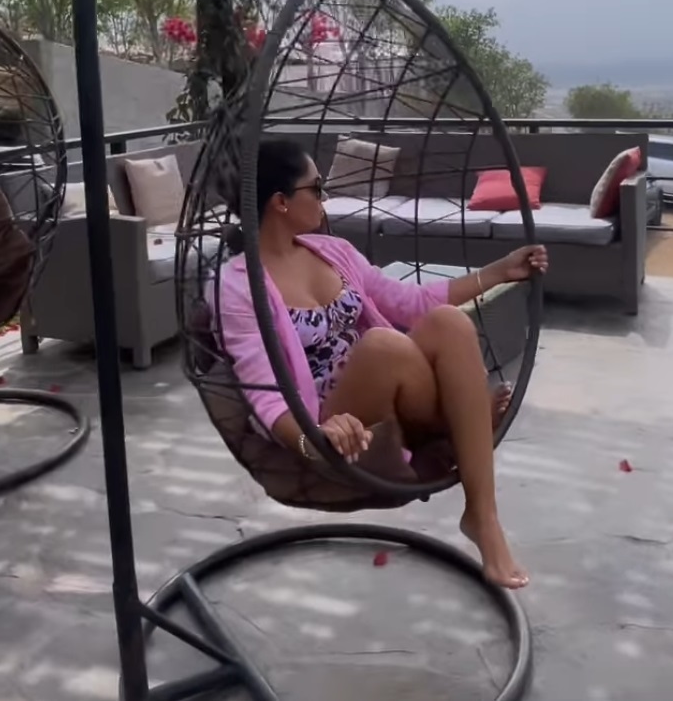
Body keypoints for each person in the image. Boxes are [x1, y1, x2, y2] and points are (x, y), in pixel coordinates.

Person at [217, 139, 548, 589]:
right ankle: (460, 422)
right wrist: (313, 438)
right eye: (317, 187)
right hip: (334, 425)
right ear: (280, 202)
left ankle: (482, 516)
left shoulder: (332, 250)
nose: (325, 196)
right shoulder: (238, 287)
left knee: (448, 322)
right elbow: (264, 395)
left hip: (390, 394)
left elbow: (411, 301)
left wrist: (498, 272)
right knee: (381, 345)